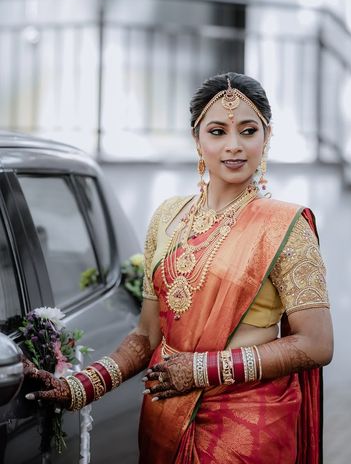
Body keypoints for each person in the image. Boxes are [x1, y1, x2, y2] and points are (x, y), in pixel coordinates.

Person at [25, 72, 333, 463]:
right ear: (197, 138)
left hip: (247, 429)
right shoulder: (167, 217)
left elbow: (316, 343)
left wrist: (202, 369)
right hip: (163, 415)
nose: (233, 146)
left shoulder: (286, 228)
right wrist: (81, 386)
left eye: (248, 131)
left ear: (266, 136)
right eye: (218, 131)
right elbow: (147, 335)